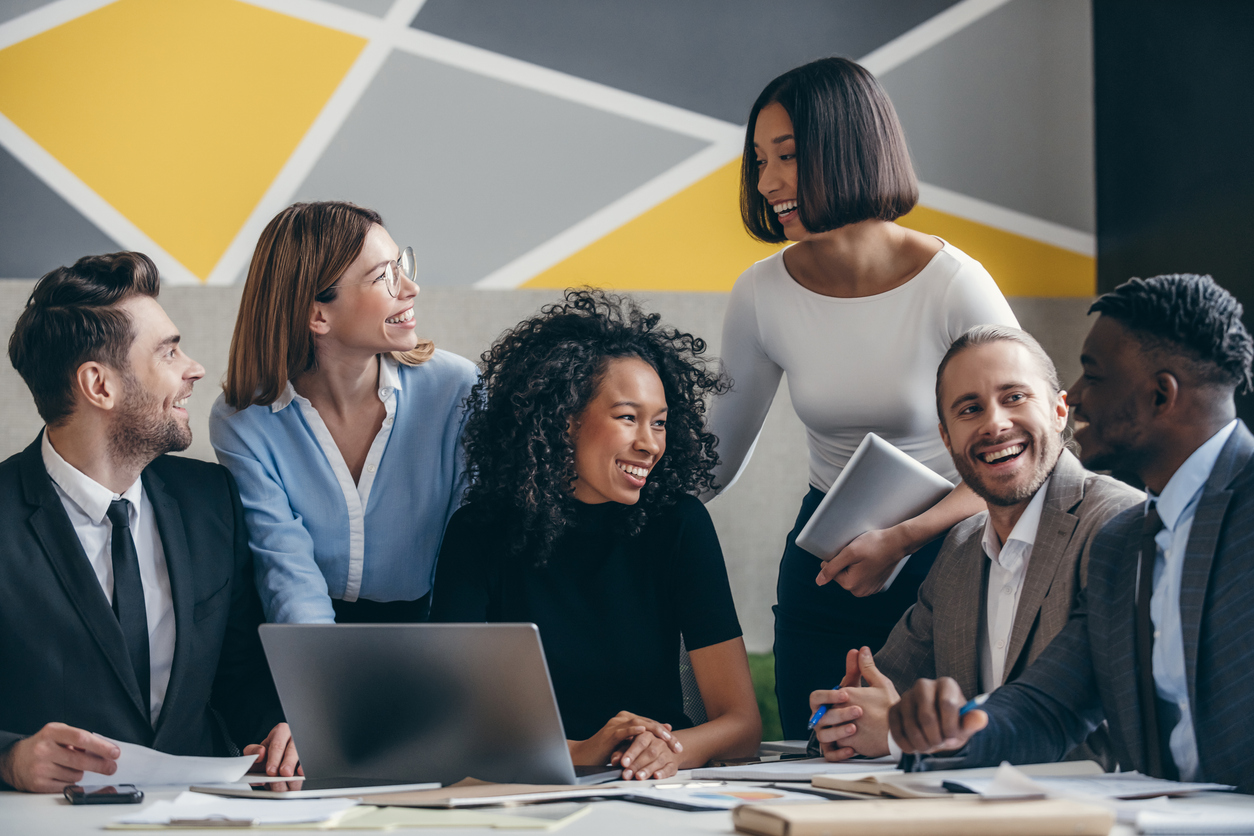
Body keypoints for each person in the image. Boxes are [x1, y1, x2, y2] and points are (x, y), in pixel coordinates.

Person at [705, 56, 1019, 736]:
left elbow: (1030, 456)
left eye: (788, 155)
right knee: (817, 761)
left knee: (938, 762)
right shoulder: (761, 292)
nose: (768, 182)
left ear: (848, 149)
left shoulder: (953, 284)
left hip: (952, 556)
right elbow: (712, 463)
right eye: (759, 161)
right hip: (827, 568)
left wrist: (902, 539)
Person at [889, 274, 1254, 792]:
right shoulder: (1123, 544)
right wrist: (952, 729)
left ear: (1160, 394)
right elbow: (1050, 707)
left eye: (1094, 376)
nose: (1076, 397)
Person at [432, 289, 761, 780]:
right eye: (628, 418)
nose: (650, 444)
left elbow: (742, 726)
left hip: (652, 789)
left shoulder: (680, 524)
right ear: (564, 419)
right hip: (531, 789)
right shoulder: (478, 532)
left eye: (660, 423)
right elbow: (450, 724)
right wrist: (583, 751)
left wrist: (669, 751)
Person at [0, 252, 295, 793]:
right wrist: (9, 759)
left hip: (204, 814)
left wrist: (277, 728)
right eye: (169, 352)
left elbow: (239, 673)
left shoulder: (212, 500)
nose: (194, 369)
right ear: (99, 385)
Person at [808, 325, 1141, 764]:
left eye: (1014, 397)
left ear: (1059, 411)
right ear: (947, 439)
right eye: (970, 409)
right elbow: (880, 695)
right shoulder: (961, 549)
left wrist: (901, 733)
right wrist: (844, 719)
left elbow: (1109, 740)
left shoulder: (1119, 524)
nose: (994, 424)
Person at [210, 202, 477, 624]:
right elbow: (286, 568)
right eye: (384, 276)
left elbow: (471, 550)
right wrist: (321, 660)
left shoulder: (459, 389)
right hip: (305, 628)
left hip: (435, 623)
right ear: (317, 315)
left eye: (401, 266)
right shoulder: (241, 419)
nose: (410, 288)